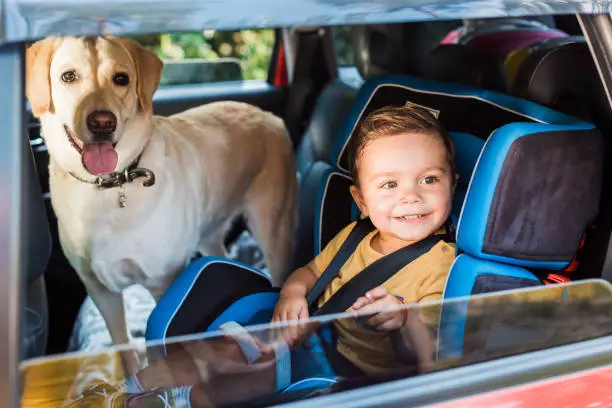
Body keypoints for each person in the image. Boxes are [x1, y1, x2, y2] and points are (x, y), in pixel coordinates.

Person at [49, 104, 458, 407]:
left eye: (429, 179)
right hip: (311, 341)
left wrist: (403, 319)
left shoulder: (440, 263)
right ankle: (125, 391)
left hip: (351, 380)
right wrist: (294, 295)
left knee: (222, 388)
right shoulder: (356, 235)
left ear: (451, 186)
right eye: (389, 185)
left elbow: (429, 359)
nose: (411, 196)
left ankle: (168, 402)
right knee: (217, 351)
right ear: (361, 200)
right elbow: (309, 273)